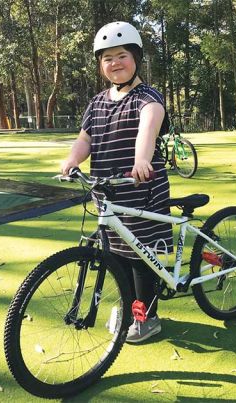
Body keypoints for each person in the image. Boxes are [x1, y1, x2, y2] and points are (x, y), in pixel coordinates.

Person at [59, 21, 172, 343]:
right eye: (107, 58)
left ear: (136, 58)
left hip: (141, 189)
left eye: (122, 55)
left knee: (139, 256)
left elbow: (147, 129)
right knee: (116, 254)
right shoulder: (96, 102)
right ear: (100, 64)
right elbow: (85, 139)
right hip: (106, 191)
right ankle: (130, 305)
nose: (115, 63)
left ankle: (148, 318)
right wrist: (71, 161)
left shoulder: (147, 97)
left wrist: (141, 160)